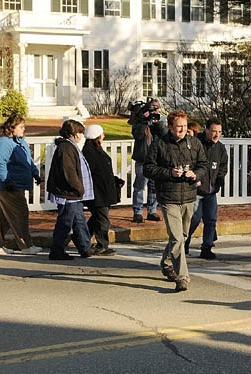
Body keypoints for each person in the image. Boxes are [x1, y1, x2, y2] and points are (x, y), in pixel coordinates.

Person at [144, 109, 207, 292]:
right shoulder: (160, 144)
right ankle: (182, 277)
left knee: (182, 236)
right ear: (170, 127)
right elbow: (148, 168)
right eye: (178, 127)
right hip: (168, 196)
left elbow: (203, 164)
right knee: (177, 237)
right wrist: (169, 173)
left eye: (185, 126)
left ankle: (166, 262)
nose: (182, 130)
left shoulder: (194, 143)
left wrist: (195, 173)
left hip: (188, 196)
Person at [0, 114, 43, 255]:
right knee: (20, 213)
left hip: (14, 184)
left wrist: (35, 172)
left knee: (4, 216)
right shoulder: (3, 143)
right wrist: (7, 181)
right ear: (12, 128)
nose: (24, 129)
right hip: (7, 185)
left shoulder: (19, 142)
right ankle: (26, 246)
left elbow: (27, 160)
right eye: (21, 127)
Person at [47, 119, 94, 261]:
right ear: (72, 134)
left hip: (74, 194)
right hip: (69, 193)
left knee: (79, 220)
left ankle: (85, 247)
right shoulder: (66, 148)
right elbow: (69, 172)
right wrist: (78, 188)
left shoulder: (70, 147)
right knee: (65, 222)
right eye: (79, 132)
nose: (81, 135)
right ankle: (56, 250)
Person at [186, 117, 228, 259]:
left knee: (211, 219)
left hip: (211, 190)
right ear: (207, 130)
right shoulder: (197, 143)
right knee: (195, 218)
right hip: (196, 189)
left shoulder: (220, 148)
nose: (216, 134)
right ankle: (185, 239)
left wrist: (218, 183)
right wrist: (194, 179)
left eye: (219, 132)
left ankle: (207, 247)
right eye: (214, 131)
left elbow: (223, 167)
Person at [82, 124, 123, 256]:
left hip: (103, 190)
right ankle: (101, 244)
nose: (103, 136)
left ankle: (82, 238)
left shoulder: (95, 149)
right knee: (102, 219)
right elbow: (94, 172)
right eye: (101, 134)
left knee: (97, 218)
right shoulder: (90, 151)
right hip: (98, 192)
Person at [129, 97, 167, 223]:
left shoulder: (160, 119)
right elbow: (138, 135)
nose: (154, 110)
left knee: (154, 186)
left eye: (156, 108)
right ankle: (138, 212)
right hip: (142, 157)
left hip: (156, 159)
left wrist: (157, 122)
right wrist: (144, 121)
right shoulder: (139, 120)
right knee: (140, 186)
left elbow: (164, 134)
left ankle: (152, 210)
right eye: (152, 108)